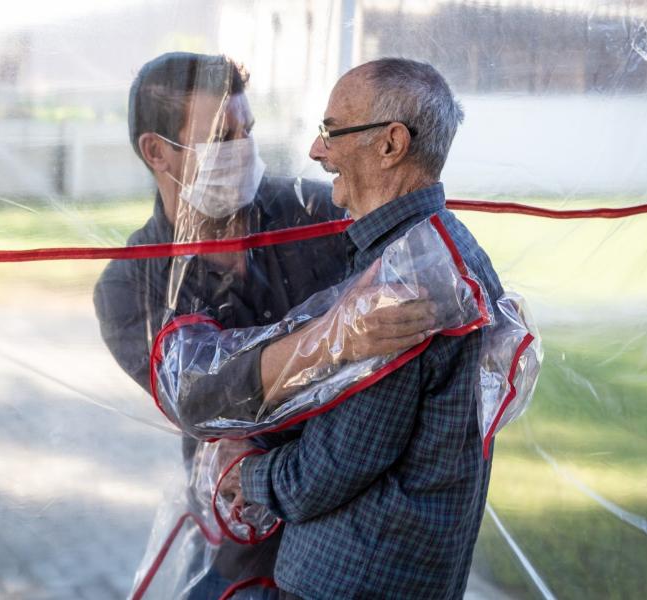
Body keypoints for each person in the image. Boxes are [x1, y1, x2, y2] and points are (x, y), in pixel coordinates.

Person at [93, 53, 434, 598]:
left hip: (354, 531)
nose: (242, 148)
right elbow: (200, 392)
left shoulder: (320, 215)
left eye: (247, 129)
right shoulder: (130, 285)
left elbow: (418, 275)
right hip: (244, 538)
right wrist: (334, 337)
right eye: (221, 136)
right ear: (157, 152)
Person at [237, 57, 504, 600]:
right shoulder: (426, 247)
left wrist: (240, 473)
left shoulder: (407, 277)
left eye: (331, 132)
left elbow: (327, 470)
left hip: (352, 583)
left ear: (390, 144)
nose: (317, 150)